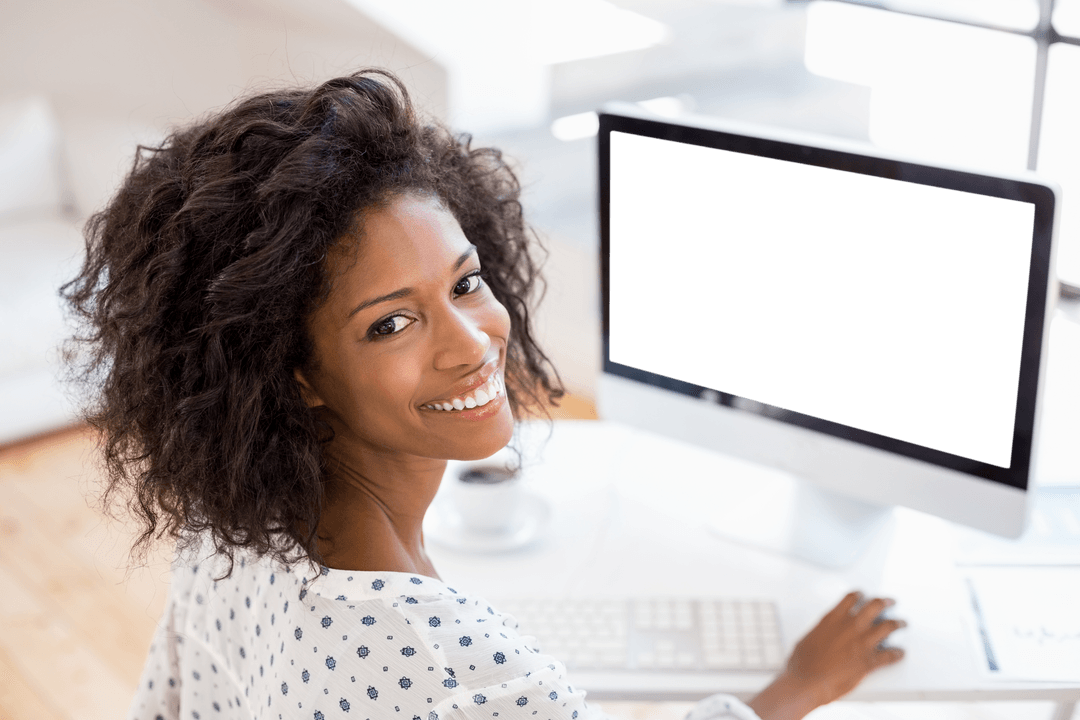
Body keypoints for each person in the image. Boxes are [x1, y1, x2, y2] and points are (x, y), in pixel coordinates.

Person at [62, 69, 905, 720]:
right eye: (390, 324)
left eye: (465, 283)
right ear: (292, 372)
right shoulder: (460, 674)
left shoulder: (226, 533)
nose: (473, 344)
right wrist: (786, 692)